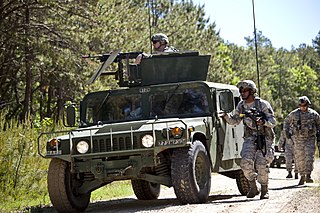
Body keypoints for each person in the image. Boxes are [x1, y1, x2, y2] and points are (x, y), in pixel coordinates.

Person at [221, 80, 276, 199]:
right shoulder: (241, 106)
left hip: (265, 136)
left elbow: (273, 122)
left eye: (244, 90)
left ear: (251, 91)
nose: (242, 93)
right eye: (240, 91)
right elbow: (235, 120)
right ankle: (253, 186)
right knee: (245, 162)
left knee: (261, 164)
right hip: (250, 137)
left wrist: (263, 122)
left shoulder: (262, 104)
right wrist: (225, 116)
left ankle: (264, 189)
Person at [284, 96, 320, 185]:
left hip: (310, 139)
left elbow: (319, 124)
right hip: (298, 139)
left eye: (304, 105)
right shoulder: (294, 114)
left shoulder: (314, 114)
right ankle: (302, 176)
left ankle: (308, 175)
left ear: (308, 105)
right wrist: (287, 132)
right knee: (300, 158)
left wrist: (318, 134)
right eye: (301, 105)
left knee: (309, 157)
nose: (303, 107)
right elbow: (286, 121)